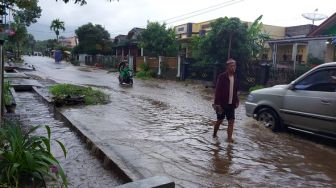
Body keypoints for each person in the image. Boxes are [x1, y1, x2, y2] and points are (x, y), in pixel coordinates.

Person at [213, 58, 239, 142]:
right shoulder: (222, 77)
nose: (233, 68)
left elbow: (235, 90)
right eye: (231, 66)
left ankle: (229, 139)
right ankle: (214, 134)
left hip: (231, 104)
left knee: (231, 121)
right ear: (227, 67)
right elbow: (217, 91)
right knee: (219, 120)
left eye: (234, 66)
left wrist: (237, 100)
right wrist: (217, 104)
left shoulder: (235, 77)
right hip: (222, 104)